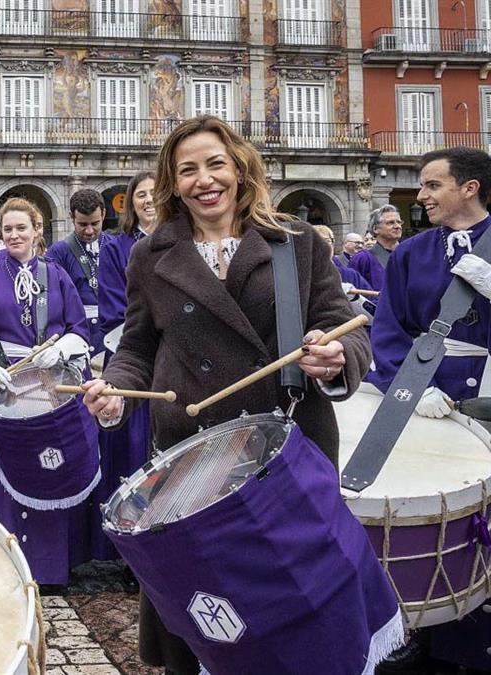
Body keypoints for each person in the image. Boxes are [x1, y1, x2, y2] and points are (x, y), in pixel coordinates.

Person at [82, 116, 371, 674]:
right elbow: (138, 345)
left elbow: (347, 327)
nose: (204, 179)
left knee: (296, 600)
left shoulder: (295, 242)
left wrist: (335, 360)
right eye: (187, 169)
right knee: (205, 609)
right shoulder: (151, 254)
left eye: (215, 163)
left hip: (286, 451)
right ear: (172, 183)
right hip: (192, 455)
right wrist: (117, 387)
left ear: (240, 168)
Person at [368, 146, 491, 674]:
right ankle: (431, 635)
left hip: (489, 392)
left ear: (469, 188)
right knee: (440, 516)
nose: (421, 196)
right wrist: (410, 387)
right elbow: (389, 328)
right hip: (428, 402)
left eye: (432, 185)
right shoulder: (412, 252)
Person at [0, 197, 96, 586]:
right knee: (4, 468)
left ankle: (51, 567)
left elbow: (79, 330)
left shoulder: (56, 275)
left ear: (39, 230)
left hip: (51, 385)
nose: (14, 235)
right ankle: (6, 562)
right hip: (6, 385)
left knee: (50, 465)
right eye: (7, 229)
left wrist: (59, 349)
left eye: (22, 228)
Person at [93, 170, 158, 565]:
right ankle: (127, 547)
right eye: (140, 196)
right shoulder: (117, 248)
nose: (148, 201)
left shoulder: (183, 240)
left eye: (154, 193)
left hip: (176, 362)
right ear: (130, 205)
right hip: (132, 355)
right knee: (132, 452)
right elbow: (117, 308)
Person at [46, 188, 108, 356]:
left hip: (111, 333)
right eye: (82, 224)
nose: (89, 231)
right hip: (76, 333)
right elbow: (54, 301)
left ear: (103, 214)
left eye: (95, 224)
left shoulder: (115, 246)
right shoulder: (58, 252)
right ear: (71, 217)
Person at [350, 205, 403, 291]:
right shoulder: (362, 258)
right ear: (375, 229)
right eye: (390, 223)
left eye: (399, 222)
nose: (397, 226)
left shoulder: (409, 254)